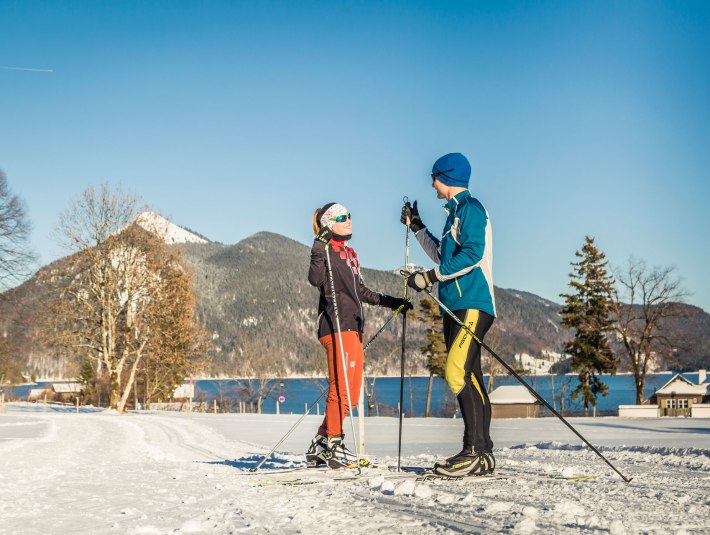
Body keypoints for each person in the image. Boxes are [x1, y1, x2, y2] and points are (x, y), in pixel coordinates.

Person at [401, 152, 496, 477]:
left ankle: (472, 451)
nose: (431, 183)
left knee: (456, 373)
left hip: (472, 302)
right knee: (470, 377)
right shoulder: (453, 214)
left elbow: (472, 254)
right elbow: (444, 255)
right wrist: (417, 227)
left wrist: (429, 277)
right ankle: (482, 454)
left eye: (434, 177)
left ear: (448, 178)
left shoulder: (471, 209)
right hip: (455, 304)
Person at [306, 202, 412, 468]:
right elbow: (314, 278)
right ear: (329, 223)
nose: (349, 219)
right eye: (342, 217)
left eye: (349, 215)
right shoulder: (326, 251)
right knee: (340, 390)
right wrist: (318, 246)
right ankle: (335, 443)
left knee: (351, 395)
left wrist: (391, 301)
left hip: (353, 328)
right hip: (335, 326)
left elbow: (361, 291)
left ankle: (321, 442)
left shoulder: (349, 253)